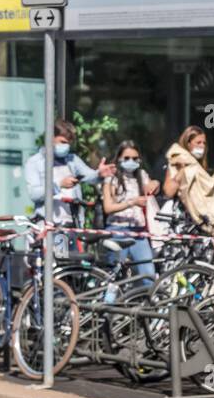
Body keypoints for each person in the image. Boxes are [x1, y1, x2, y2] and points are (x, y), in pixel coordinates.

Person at [24, 118, 114, 254]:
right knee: (56, 268)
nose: (66, 147)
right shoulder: (34, 162)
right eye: (63, 142)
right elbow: (34, 194)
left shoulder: (72, 160)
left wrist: (100, 174)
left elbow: (89, 176)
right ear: (50, 138)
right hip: (50, 225)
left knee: (71, 269)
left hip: (71, 224)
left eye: (69, 144)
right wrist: (59, 185)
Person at [100, 139, 160, 287]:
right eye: (126, 158)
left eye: (135, 158)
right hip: (117, 231)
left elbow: (151, 188)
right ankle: (107, 308)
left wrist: (155, 184)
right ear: (118, 158)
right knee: (114, 278)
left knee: (148, 276)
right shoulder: (111, 178)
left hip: (139, 233)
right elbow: (108, 207)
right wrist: (131, 202)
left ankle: (147, 307)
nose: (131, 162)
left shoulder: (142, 175)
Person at [162, 125, 214, 233]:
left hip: (200, 221)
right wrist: (182, 171)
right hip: (182, 221)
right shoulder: (178, 162)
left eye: (204, 143)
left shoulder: (198, 166)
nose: (202, 146)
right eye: (198, 143)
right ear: (188, 143)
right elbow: (168, 191)